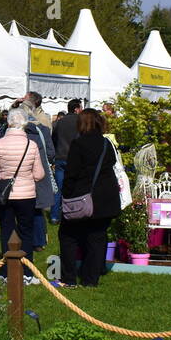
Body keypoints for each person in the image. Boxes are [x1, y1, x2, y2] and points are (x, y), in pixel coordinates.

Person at [58, 108, 120, 287]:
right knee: (97, 238)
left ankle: (69, 278)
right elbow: (112, 164)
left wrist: (66, 196)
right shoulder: (107, 144)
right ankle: (91, 280)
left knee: (68, 236)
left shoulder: (78, 144)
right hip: (104, 199)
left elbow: (71, 174)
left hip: (82, 197)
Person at [0, 107, 45, 274]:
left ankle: (6, 270)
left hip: (5, 195)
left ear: (8, 122)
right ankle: (27, 270)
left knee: (7, 230)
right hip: (26, 195)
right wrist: (28, 178)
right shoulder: (31, 145)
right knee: (26, 231)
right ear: (25, 123)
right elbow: (39, 174)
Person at [23, 103, 56, 254]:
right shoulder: (42, 130)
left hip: (23, 175)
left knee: (25, 209)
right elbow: (51, 153)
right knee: (38, 209)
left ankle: (28, 240)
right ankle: (40, 241)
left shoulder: (18, 132)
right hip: (40, 173)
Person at [50, 98, 82, 223]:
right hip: (74, 159)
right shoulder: (80, 122)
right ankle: (73, 214)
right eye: (81, 107)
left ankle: (54, 216)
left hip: (60, 157)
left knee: (58, 188)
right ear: (76, 109)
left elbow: (54, 139)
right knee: (75, 188)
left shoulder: (60, 122)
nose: (82, 110)